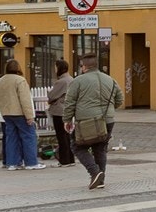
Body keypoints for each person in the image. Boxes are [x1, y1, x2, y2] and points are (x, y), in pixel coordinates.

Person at [63, 54, 124, 189]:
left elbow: (70, 102)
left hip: (87, 121)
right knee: (100, 148)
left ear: (84, 67)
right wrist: (109, 110)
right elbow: (120, 99)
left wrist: (67, 119)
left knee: (78, 146)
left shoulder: (78, 81)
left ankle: (94, 172)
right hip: (107, 120)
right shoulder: (110, 80)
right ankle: (100, 180)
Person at [0, 59, 41, 170]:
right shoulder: (20, 80)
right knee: (29, 136)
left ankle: (12, 163)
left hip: (6, 113)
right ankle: (31, 163)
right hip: (20, 113)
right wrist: (29, 116)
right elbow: (25, 99)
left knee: (11, 138)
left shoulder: (1, 80)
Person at [48, 60, 74, 166]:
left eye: (55, 67)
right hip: (68, 110)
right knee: (67, 136)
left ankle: (64, 160)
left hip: (59, 111)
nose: (54, 70)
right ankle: (70, 159)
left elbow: (51, 96)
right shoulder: (71, 79)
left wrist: (49, 95)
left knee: (61, 137)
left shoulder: (61, 82)